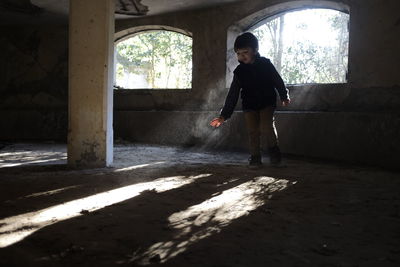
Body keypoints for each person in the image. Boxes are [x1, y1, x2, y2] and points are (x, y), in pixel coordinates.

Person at [210, 32, 290, 168]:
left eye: (245, 52)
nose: (242, 56)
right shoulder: (239, 72)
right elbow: (233, 94)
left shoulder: (265, 64)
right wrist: (224, 115)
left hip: (267, 102)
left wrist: (284, 95)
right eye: (238, 53)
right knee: (252, 131)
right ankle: (255, 157)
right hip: (249, 106)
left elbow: (277, 80)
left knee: (266, 127)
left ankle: (274, 152)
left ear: (255, 50)